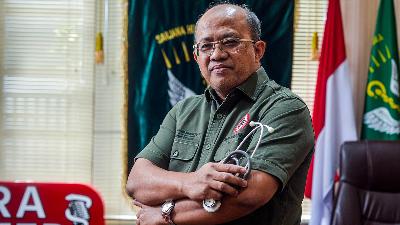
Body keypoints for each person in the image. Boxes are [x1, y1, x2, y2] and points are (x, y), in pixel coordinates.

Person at [126, 3, 314, 225]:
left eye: (230, 42)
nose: (217, 54)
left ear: (258, 50)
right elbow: (137, 181)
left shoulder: (285, 108)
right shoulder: (183, 111)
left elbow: (251, 194)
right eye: (206, 46)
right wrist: (190, 182)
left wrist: (166, 213)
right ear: (196, 56)